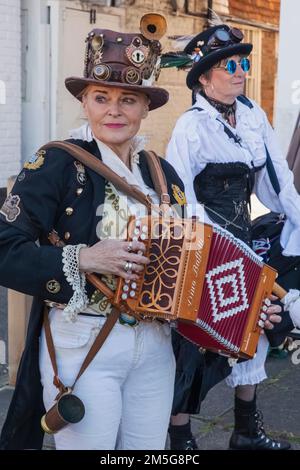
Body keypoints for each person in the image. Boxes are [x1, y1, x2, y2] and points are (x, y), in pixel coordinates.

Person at [0, 17, 186, 450]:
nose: (114, 110)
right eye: (101, 97)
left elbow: (191, 256)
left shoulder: (163, 174)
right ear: (85, 102)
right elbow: (4, 248)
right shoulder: (56, 163)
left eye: (129, 99)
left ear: (145, 108)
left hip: (155, 345)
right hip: (82, 342)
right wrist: (83, 258)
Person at [166, 23, 300, 450]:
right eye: (229, 67)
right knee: (191, 339)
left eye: (243, 63)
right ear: (204, 78)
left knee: (255, 327)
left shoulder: (252, 116)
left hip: (244, 236)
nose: (240, 72)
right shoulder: (190, 128)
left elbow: (276, 183)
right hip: (204, 241)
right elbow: (181, 197)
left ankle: (245, 430)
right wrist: (214, 250)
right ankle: (181, 440)